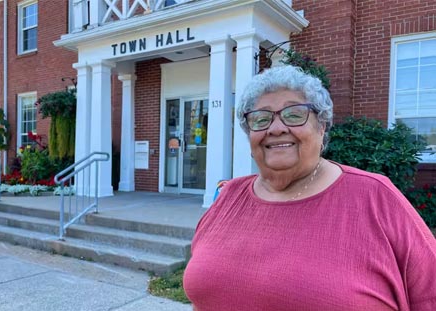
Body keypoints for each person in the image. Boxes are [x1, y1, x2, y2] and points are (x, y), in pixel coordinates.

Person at [183, 65, 436, 311]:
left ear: (322, 126)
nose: (277, 128)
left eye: (294, 114)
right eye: (261, 119)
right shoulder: (228, 196)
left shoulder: (376, 197)